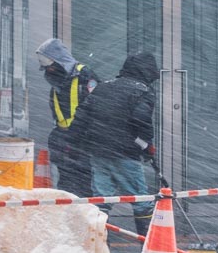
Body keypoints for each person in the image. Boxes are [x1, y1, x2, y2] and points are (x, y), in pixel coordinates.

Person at [83, 51, 161, 237]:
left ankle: (100, 246)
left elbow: (83, 115)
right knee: (140, 198)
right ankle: (147, 245)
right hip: (125, 152)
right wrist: (146, 145)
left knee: (101, 200)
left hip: (98, 150)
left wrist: (77, 141)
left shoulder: (104, 87)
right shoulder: (142, 91)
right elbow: (141, 120)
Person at [35, 37, 100, 197]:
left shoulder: (84, 75)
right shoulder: (58, 82)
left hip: (81, 140)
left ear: (59, 62)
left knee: (82, 185)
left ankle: (83, 215)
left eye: (50, 67)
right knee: (67, 185)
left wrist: (78, 134)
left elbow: (95, 106)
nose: (49, 71)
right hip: (65, 140)